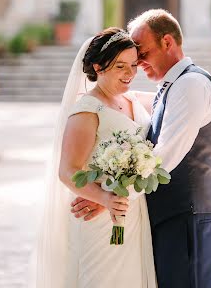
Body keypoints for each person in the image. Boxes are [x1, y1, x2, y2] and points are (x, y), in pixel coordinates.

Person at [72, 9, 211, 288]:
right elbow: (121, 101)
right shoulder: (172, 87)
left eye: (141, 52)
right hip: (175, 218)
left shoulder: (190, 85)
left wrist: (109, 198)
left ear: (167, 42)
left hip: (190, 217)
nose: (137, 63)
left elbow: (164, 158)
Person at [33, 28, 156, 288]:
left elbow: (170, 97)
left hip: (133, 214)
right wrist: (105, 199)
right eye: (120, 66)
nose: (130, 74)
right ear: (98, 67)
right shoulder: (87, 110)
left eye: (133, 65)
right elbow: (67, 170)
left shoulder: (132, 99)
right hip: (101, 220)